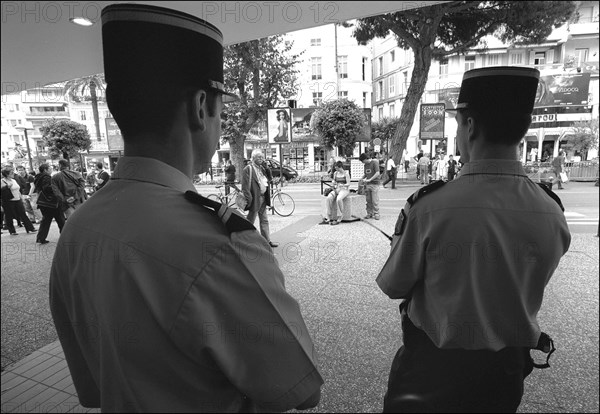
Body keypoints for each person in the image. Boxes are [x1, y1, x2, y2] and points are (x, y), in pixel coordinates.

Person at [49, 5, 321, 412]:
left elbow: (91, 389)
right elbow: (300, 390)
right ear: (199, 107)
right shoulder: (218, 247)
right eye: (220, 110)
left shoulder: (79, 228)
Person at [376, 66, 571, 413]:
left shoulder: (429, 207)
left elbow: (394, 284)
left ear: (470, 126)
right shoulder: (551, 210)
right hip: (505, 374)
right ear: (522, 128)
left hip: (431, 373)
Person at [242, 150, 279, 248]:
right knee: (250, 220)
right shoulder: (248, 169)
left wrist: (267, 167)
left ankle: (267, 241)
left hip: (263, 197)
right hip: (255, 198)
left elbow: (269, 179)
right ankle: (245, 240)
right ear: (253, 158)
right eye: (258, 157)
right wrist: (249, 199)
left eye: (262, 157)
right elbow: (245, 187)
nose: (261, 159)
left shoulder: (262, 168)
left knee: (264, 220)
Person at [31, 163, 64, 244]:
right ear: (45, 170)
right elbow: (47, 188)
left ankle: (40, 238)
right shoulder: (46, 177)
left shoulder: (38, 177)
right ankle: (64, 236)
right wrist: (57, 187)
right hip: (52, 203)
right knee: (60, 219)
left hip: (44, 203)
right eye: (50, 168)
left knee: (46, 220)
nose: (51, 169)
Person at [1, 166, 36, 235]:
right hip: (8, 201)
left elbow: (18, 190)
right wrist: (6, 187)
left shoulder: (13, 180)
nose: (13, 173)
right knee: (9, 216)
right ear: (7, 174)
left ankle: (30, 228)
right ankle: (12, 231)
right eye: (11, 173)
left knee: (23, 214)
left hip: (17, 199)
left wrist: (21, 198)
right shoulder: (2, 181)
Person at [359, 153, 380, 220]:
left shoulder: (374, 162)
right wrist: (362, 178)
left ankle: (376, 213)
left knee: (374, 200)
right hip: (367, 184)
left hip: (374, 184)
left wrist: (370, 179)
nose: (362, 163)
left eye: (362, 161)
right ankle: (369, 213)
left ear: (365, 159)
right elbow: (366, 174)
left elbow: (377, 173)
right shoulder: (365, 165)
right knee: (368, 200)